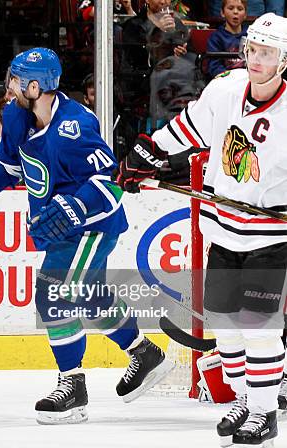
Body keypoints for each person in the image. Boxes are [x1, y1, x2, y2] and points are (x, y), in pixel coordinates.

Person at [0, 47, 174, 425]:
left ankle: (73, 387)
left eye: (15, 80)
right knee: (89, 299)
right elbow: (7, 165)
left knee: (52, 293)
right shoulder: (18, 116)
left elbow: (110, 182)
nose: (9, 87)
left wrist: (75, 208)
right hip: (60, 228)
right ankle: (144, 352)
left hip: (90, 227)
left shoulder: (74, 127)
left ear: (35, 86)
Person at [115, 13, 287, 446]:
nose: (257, 60)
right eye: (253, 50)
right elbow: (188, 128)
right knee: (225, 323)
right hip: (226, 229)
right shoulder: (226, 89)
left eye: (268, 53)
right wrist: (148, 152)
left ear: (283, 60)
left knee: (257, 324)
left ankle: (266, 413)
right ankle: (246, 399)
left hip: (271, 235)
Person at [207, 0, 248, 78]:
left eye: (240, 9)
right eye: (231, 8)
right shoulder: (215, 37)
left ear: (245, 14)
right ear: (222, 13)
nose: (235, 12)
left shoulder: (251, 35)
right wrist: (231, 77)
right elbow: (214, 67)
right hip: (226, 79)